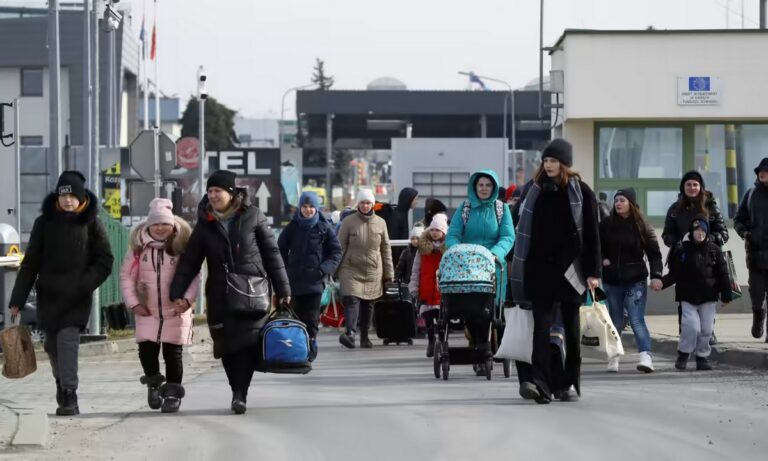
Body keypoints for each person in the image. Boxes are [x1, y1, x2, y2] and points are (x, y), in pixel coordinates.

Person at [170, 170, 291, 415]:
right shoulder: (205, 223)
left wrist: (283, 289)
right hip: (220, 295)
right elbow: (190, 261)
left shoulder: (253, 216)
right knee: (226, 346)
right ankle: (235, 388)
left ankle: (240, 393)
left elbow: (272, 254)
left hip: (252, 293)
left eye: (218, 191)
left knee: (247, 345)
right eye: (210, 191)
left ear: (231, 192)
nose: (213, 195)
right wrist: (177, 292)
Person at [9, 171, 114, 416]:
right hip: (50, 296)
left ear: (81, 198)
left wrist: (84, 284)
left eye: (73, 196)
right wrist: (17, 299)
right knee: (52, 346)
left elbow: (104, 261)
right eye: (63, 195)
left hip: (76, 297)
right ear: (57, 197)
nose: (68, 200)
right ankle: (61, 383)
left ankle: (70, 394)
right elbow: (31, 263)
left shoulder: (91, 223)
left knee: (68, 343)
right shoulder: (43, 223)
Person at [510, 138, 601, 404]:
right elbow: (520, 226)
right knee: (541, 328)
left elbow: (592, 235)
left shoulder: (581, 192)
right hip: (540, 269)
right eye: (546, 160)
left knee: (571, 330)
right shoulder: (534, 190)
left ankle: (567, 382)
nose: (548, 165)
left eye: (553, 161)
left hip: (571, 271)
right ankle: (541, 384)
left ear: (564, 163)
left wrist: (593, 272)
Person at [119, 198, 199, 413]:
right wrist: (134, 303)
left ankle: (172, 394)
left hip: (175, 310)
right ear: (148, 226)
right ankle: (153, 383)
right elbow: (126, 277)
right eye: (156, 224)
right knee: (146, 351)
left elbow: (193, 275)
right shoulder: (138, 249)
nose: (160, 228)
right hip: (147, 310)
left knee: (173, 353)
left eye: (165, 224)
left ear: (172, 225)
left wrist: (187, 300)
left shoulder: (181, 247)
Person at [446, 169, 515, 374]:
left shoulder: (501, 209)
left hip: (492, 268)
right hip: (467, 268)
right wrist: (459, 252)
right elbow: (453, 234)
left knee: (488, 312)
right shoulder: (465, 208)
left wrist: (494, 254)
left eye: (488, 185)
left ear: (493, 188)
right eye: (480, 185)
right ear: (474, 187)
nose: (484, 189)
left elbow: (508, 237)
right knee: (470, 310)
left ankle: (486, 348)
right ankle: (477, 347)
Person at [599, 188, 663, 373]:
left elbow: (654, 253)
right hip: (612, 280)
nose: (618, 203)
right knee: (615, 320)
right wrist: (602, 260)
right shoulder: (606, 224)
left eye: (622, 200)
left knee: (636, 319)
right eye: (616, 200)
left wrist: (656, 275)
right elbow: (595, 247)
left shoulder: (642, 225)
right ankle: (613, 357)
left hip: (636, 279)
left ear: (631, 204)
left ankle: (646, 357)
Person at [662, 170, 729, 344]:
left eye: (695, 184)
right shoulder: (675, 209)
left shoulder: (710, 207)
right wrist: (679, 241)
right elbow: (667, 235)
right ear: (683, 187)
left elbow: (723, 233)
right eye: (688, 184)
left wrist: (707, 239)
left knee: (708, 295)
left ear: (701, 187)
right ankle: (685, 332)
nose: (692, 188)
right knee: (684, 297)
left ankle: (709, 331)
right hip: (683, 260)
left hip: (708, 260)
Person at [660, 217, 732, 371]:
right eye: (697, 230)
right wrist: (662, 283)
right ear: (691, 232)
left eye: (703, 231)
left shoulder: (714, 250)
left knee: (706, 329)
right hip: (687, 296)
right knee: (691, 327)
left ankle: (702, 357)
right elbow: (675, 273)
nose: (700, 233)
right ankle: (683, 354)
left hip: (709, 296)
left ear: (707, 233)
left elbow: (723, 274)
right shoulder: (682, 250)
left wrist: (726, 295)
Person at [278, 191, 343, 361]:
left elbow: (336, 252)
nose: (308, 210)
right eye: (305, 206)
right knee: (297, 317)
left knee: (312, 318)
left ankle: (311, 344)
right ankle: (298, 348)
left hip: (315, 282)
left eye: (311, 206)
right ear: (300, 208)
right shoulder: (292, 227)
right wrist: (285, 270)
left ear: (316, 208)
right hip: (295, 282)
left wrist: (323, 269)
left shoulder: (324, 228)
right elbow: (280, 250)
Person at [337, 188, 395, 349]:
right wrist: (333, 269)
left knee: (368, 303)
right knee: (351, 299)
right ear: (358, 204)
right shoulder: (348, 222)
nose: (365, 206)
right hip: (351, 268)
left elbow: (386, 249)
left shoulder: (381, 223)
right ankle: (350, 333)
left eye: (368, 203)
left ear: (373, 204)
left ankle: (364, 336)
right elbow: (340, 247)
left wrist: (389, 274)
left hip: (372, 269)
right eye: (362, 202)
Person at [734, 157, 768, 341]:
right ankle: (758, 315)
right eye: (760, 171)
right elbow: (738, 219)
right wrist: (745, 233)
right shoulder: (750, 194)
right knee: (756, 293)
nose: (762, 173)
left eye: (765, 171)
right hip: (755, 254)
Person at [409, 213, 448, 357]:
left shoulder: (448, 249)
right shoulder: (423, 249)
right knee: (428, 317)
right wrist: (414, 287)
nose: (434, 233)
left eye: (438, 230)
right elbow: (416, 269)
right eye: (432, 230)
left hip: (441, 289)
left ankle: (442, 341)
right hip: (426, 288)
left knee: (443, 318)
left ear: (443, 232)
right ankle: (431, 341)